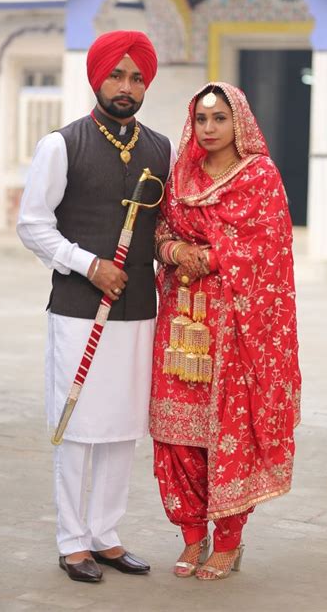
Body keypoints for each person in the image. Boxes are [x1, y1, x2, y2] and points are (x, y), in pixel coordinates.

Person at [17, 30, 173, 583]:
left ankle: (106, 535)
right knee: (79, 422)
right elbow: (32, 224)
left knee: (122, 425)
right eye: (117, 75)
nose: (126, 87)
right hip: (80, 308)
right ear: (97, 78)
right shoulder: (62, 144)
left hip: (137, 310)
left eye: (136, 77)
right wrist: (88, 264)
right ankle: (72, 541)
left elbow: (164, 229)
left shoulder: (160, 148)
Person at [150, 82, 301, 581]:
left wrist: (211, 256)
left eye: (219, 118)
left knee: (227, 432)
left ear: (240, 122)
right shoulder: (182, 173)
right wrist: (176, 253)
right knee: (177, 433)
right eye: (201, 119)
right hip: (180, 322)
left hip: (235, 326)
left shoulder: (259, 176)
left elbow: (268, 246)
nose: (209, 129)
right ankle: (193, 536)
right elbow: (162, 232)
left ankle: (230, 541)